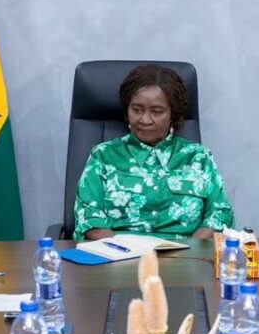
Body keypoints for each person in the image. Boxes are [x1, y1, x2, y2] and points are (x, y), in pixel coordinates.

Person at [74, 64, 234, 241]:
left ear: (173, 114)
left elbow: (220, 214)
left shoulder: (198, 157)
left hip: (186, 258)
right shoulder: (103, 155)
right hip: (119, 258)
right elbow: (89, 219)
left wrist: (189, 252)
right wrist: (125, 251)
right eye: (137, 110)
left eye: (157, 112)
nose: (145, 119)